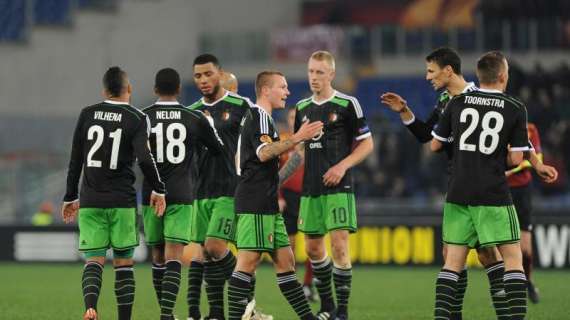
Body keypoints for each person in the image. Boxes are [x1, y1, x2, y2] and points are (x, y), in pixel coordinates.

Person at [381, 47, 503, 320]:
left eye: (431, 71)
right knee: (452, 252)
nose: (427, 77)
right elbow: (429, 137)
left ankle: (506, 311)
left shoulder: (481, 97)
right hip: (457, 183)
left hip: (484, 187)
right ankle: (455, 316)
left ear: (448, 70)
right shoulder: (444, 101)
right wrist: (405, 112)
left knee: (487, 253)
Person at [61, 66, 166, 320]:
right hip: (122, 200)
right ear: (128, 89)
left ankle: (90, 307)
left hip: (91, 200)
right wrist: (159, 189)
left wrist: (69, 196)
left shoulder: (87, 114)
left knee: (93, 260)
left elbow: (76, 159)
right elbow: (144, 158)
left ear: (104, 90)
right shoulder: (137, 117)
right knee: (123, 263)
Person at [430, 51, 529, 320]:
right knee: (512, 259)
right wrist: (499, 153)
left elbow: (436, 144)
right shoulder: (515, 107)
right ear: (503, 76)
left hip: (458, 191)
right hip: (493, 191)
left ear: (479, 76)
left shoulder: (457, 102)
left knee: (452, 263)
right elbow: (517, 158)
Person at [281, 50, 374, 320]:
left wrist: (343, 165)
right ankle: (327, 305)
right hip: (310, 190)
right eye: (311, 71)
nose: (314, 77)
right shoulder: (301, 108)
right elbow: (299, 152)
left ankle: (342, 312)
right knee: (312, 249)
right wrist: (275, 182)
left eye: (320, 72)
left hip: (339, 188)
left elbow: (368, 143)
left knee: (339, 246)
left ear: (331, 74)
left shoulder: (348, 104)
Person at [227, 70, 323, 320]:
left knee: (286, 263)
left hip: (266, 200)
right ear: (266, 90)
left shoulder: (263, 119)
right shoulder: (259, 116)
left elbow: (248, 158)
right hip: (255, 200)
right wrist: (297, 138)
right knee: (247, 263)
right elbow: (262, 153)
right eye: (283, 86)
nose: (287, 92)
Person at [142, 68, 224, 320]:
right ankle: (167, 315)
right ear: (179, 89)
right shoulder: (194, 117)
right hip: (181, 191)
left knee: (157, 255)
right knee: (174, 256)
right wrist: (208, 126)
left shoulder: (142, 116)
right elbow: (218, 149)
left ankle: (165, 314)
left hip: (151, 193)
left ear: (155, 89)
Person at [187, 54, 251, 320]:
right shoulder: (190, 112)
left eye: (208, 74)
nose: (203, 80)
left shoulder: (242, 106)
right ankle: (216, 313)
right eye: (198, 76)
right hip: (200, 191)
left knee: (215, 247)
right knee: (206, 255)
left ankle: (247, 299)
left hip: (230, 190)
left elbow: (258, 147)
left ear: (219, 73)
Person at [506, 123, 558, 304]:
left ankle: (528, 281)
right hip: (498, 190)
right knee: (499, 243)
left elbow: (537, 157)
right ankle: (506, 286)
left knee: (525, 248)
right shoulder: (493, 122)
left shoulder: (529, 129)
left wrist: (511, 170)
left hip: (521, 191)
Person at [278, 108, 318, 302]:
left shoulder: (313, 141)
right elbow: (273, 171)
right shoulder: (283, 141)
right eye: (291, 117)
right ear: (287, 120)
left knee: (312, 243)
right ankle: (292, 284)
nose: (294, 120)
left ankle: (308, 284)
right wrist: (278, 196)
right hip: (289, 196)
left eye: (297, 117)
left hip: (309, 195)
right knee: (290, 244)